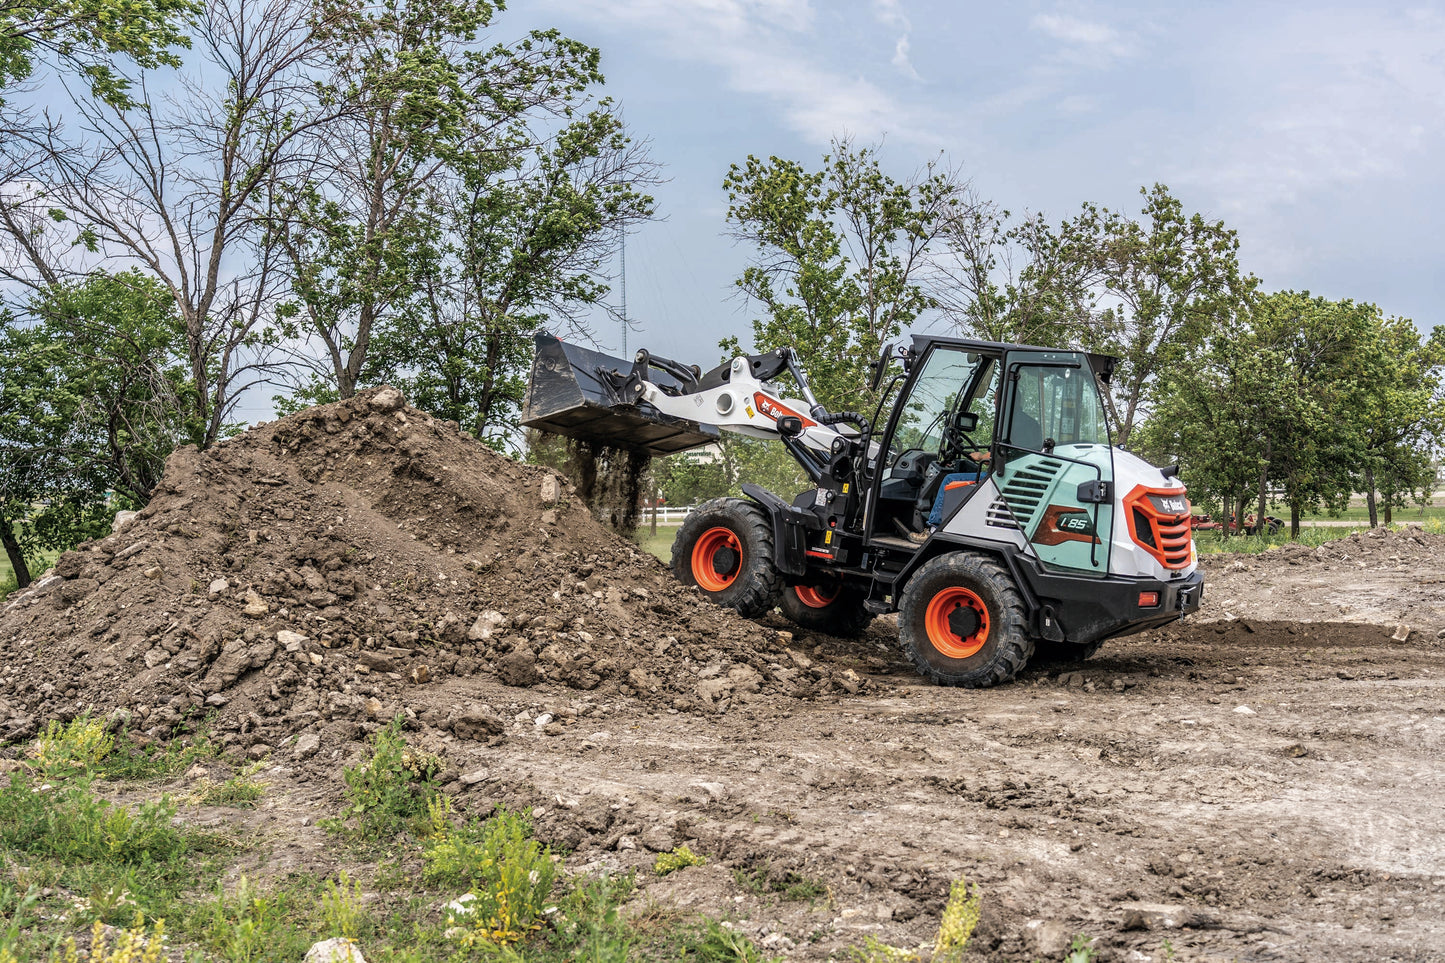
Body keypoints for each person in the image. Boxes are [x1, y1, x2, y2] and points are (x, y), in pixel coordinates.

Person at [908, 400, 1043, 543]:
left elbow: (998, 454)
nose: (995, 402)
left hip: (1003, 477)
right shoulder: (1029, 423)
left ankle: (932, 529)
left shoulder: (1011, 424)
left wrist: (979, 456)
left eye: (997, 398)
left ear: (1008, 398)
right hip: (1018, 476)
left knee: (950, 479)